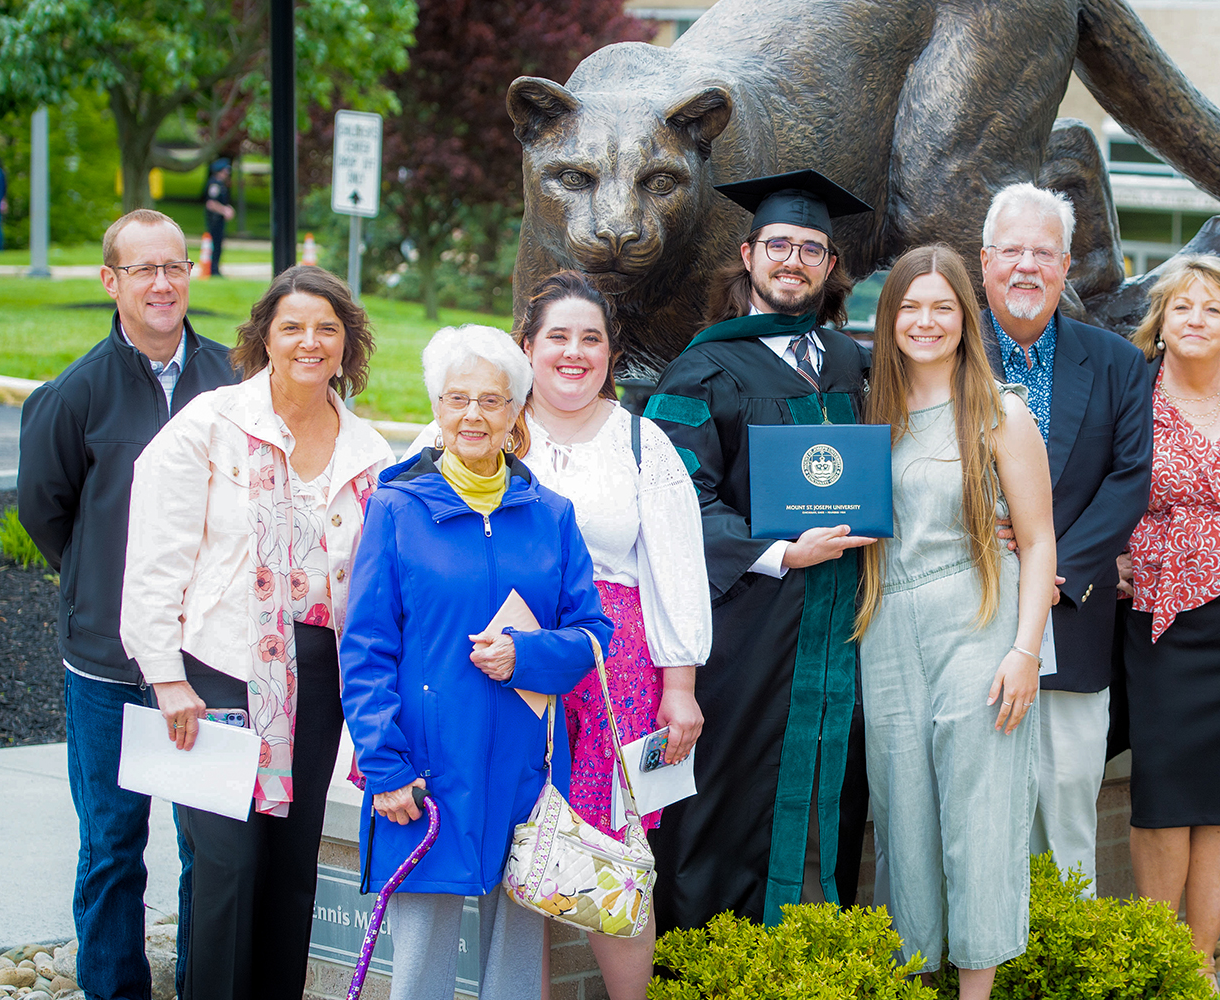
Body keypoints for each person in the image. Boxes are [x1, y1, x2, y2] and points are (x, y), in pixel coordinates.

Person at [407, 271, 710, 1000]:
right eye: (557, 338)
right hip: (493, 664)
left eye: (591, 339)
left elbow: (674, 566)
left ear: (611, 352)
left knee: (608, 847)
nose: (574, 354)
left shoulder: (642, 444)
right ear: (527, 347)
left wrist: (681, 687)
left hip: (611, 672)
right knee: (520, 849)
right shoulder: (478, 422)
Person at [119, 265, 391, 1000]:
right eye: (293, 326)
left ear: (347, 343)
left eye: (327, 328)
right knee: (228, 866)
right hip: (218, 672)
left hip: (321, 681)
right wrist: (166, 677)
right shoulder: (213, 425)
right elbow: (154, 554)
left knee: (289, 864)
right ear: (264, 336)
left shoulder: (370, 452)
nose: (310, 342)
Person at [341, 324, 616, 999]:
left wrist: (525, 655)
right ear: (436, 407)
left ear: (516, 412)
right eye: (457, 398)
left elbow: (592, 634)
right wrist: (385, 767)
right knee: (421, 974)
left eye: (491, 401)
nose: (472, 415)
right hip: (425, 778)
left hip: (526, 776)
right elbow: (366, 647)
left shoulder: (551, 515)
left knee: (517, 971)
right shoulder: (396, 508)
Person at [644, 168, 879, 930]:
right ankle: (714, 964)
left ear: (830, 267)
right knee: (733, 793)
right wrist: (779, 552)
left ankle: (813, 956)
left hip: (839, 628)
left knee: (831, 788)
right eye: (779, 244)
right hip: (747, 629)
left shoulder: (851, 363)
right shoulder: (706, 367)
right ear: (748, 256)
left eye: (812, 248)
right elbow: (678, 509)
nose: (794, 260)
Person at [17, 209, 234, 1000]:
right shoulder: (73, 395)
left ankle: (204, 984)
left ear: (191, 274)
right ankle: (116, 990)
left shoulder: (232, 384)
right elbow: (47, 513)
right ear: (111, 281)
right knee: (113, 841)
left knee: (208, 842)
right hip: (108, 665)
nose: (162, 283)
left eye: (173, 266)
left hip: (207, 660)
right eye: (142, 270)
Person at [855, 245, 1055, 999]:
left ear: (965, 317)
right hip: (888, 627)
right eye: (910, 306)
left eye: (943, 306)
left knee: (979, 816)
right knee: (902, 816)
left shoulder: (999, 411)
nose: (926, 321)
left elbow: (1037, 541)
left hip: (977, 618)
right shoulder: (873, 409)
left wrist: (1025, 651)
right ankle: (916, 979)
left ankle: (976, 993)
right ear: (890, 316)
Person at [978, 182, 1152, 895]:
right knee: (983, 808)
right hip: (975, 612)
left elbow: (1130, 477)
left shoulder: (1114, 362)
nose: (1027, 266)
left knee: (1070, 802)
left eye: (1042, 252)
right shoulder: (945, 354)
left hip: (1073, 614)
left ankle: (1065, 953)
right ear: (984, 261)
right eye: (1012, 250)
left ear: (1067, 264)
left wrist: (1057, 570)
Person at [1118, 254, 1220, 987]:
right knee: (1163, 794)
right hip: (1161, 621)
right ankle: (1159, 956)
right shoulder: (1132, 397)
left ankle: (1197, 961)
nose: (1195, 319)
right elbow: (1093, 481)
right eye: (1181, 307)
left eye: (1211, 309)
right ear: (1161, 323)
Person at [204, 159, 236, 277]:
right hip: (214, 220)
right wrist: (224, 210)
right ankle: (213, 269)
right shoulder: (214, 184)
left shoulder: (221, 184)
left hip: (219, 220)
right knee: (215, 244)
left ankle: (216, 268)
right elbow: (211, 203)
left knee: (219, 244)